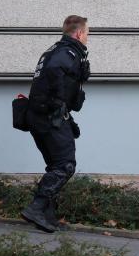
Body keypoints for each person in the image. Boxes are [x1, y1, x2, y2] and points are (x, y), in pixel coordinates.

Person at [20, 15, 91, 233]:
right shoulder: (67, 52)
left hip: (40, 117)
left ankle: (47, 217)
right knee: (65, 165)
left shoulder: (54, 50)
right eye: (87, 33)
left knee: (56, 165)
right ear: (78, 33)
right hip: (49, 118)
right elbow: (53, 73)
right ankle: (36, 208)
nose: (87, 38)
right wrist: (59, 104)